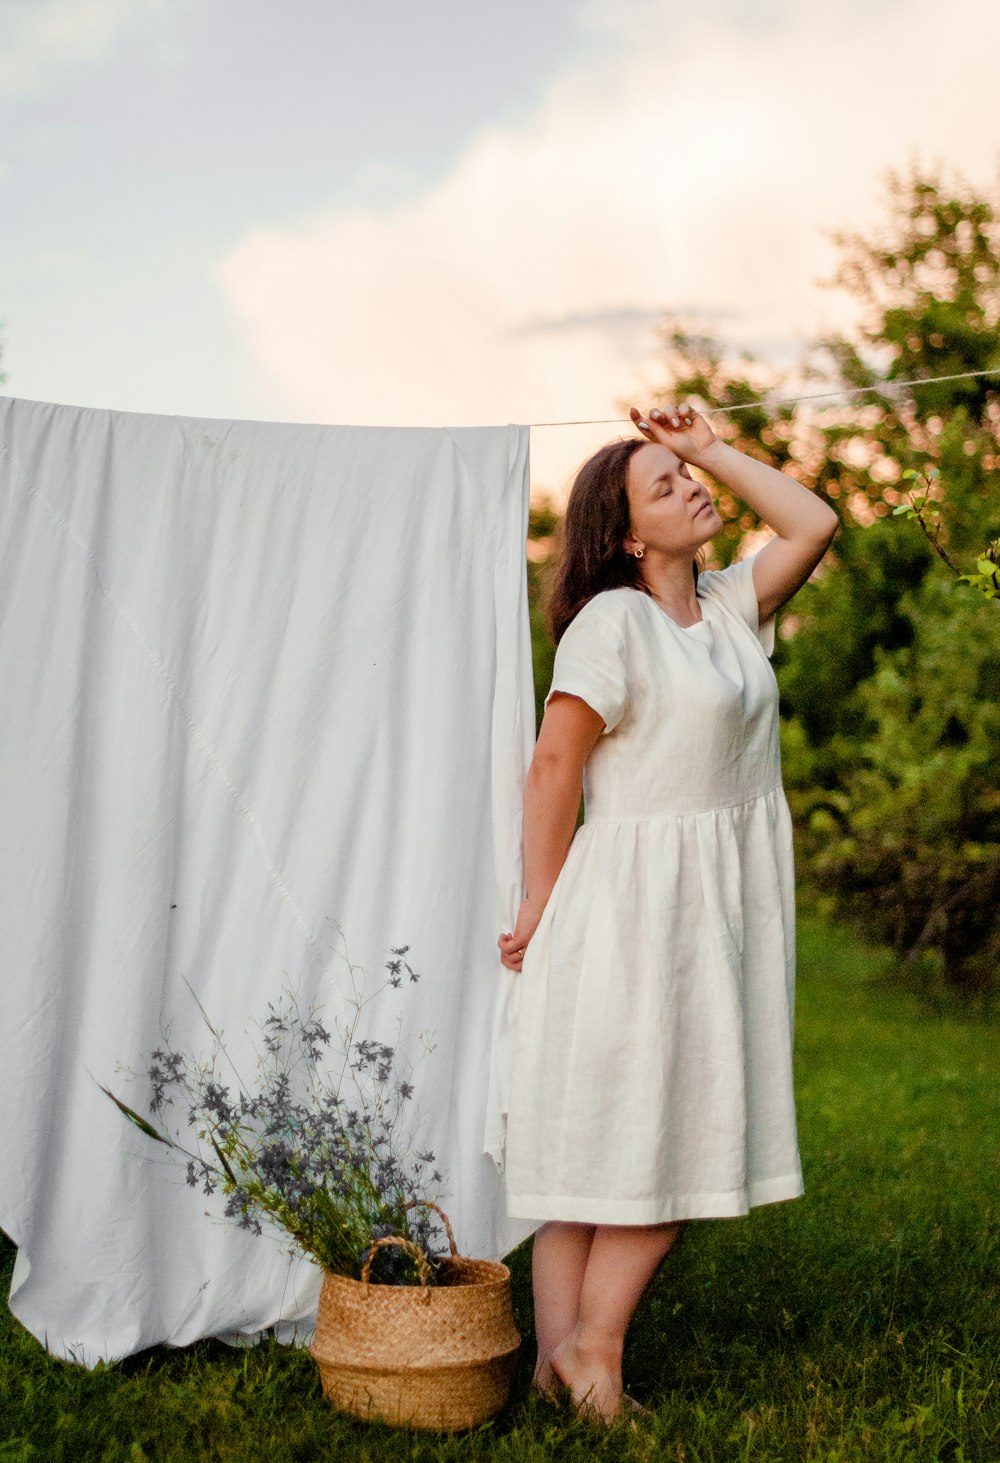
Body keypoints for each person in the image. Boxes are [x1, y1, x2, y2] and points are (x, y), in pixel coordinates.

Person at [496, 401, 839, 1424]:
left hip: (709, 905)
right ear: (626, 533)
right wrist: (541, 896)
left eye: (685, 476)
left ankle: (563, 1366)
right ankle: (589, 1349)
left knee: (636, 1132)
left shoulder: (731, 606)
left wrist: (705, 447)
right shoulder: (614, 623)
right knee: (658, 1132)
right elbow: (556, 762)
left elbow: (814, 522)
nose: (691, 489)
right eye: (664, 483)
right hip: (632, 909)